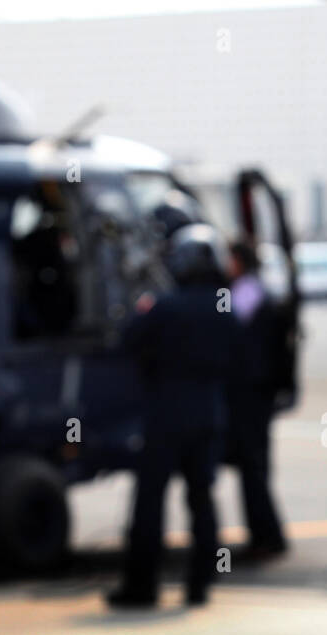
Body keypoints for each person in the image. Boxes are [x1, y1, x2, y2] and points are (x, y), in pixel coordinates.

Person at [108, 223, 236, 609]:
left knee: (150, 500)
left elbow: (128, 340)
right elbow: (238, 356)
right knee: (202, 498)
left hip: (165, 416)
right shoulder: (224, 306)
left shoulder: (164, 306)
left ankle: (142, 587)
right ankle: (199, 585)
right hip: (208, 414)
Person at [227, 240, 287, 560]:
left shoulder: (247, 292)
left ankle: (268, 537)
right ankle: (265, 535)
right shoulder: (250, 289)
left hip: (251, 394)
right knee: (253, 465)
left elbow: (230, 331)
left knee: (253, 465)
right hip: (255, 392)